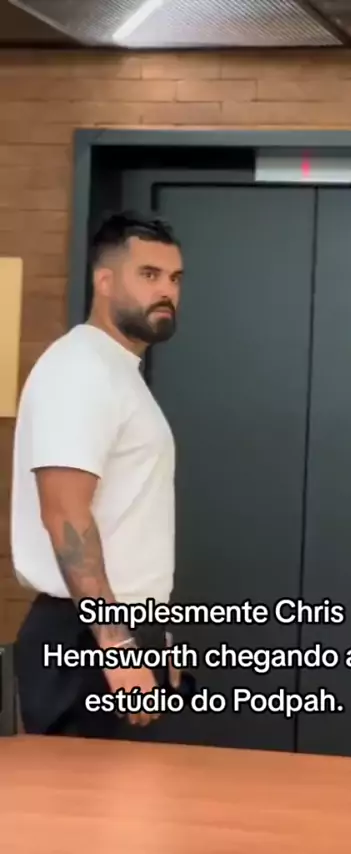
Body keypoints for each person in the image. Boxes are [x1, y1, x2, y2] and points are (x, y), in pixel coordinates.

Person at [12, 211, 192, 739]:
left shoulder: (116, 371)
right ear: (105, 281)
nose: (166, 291)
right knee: (92, 795)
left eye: (175, 278)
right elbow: (64, 512)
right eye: (149, 275)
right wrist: (117, 646)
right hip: (86, 638)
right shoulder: (80, 370)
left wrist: (154, 635)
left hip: (119, 631)